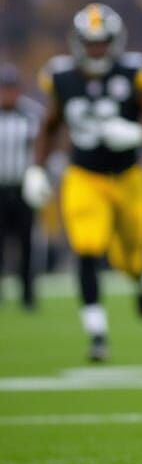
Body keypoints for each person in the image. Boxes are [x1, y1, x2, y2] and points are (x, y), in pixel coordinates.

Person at [22, 4, 142, 361]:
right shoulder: (62, 77)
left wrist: (137, 132)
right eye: (90, 43)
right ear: (77, 43)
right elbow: (49, 127)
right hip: (84, 177)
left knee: (131, 259)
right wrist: (37, 168)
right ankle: (97, 334)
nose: (96, 50)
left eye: (102, 42)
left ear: (115, 42)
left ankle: (140, 280)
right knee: (87, 247)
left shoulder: (135, 73)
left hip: (128, 177)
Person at [0, 64, 44, 309]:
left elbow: (44, 148)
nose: (7, 94)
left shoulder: (32, 115)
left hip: (22, 188)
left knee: (27, 242)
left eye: (11, 89)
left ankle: (28, 294)